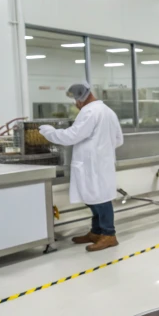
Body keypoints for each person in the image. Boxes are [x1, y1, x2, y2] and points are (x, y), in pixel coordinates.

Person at [39, 82, 124, 252]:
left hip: (92, 164)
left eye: (75, 102)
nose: (76, 105)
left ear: (79, 100)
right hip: (99, 162)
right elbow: (119, 140)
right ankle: (96, 231)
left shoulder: (90, 112)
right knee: (94, 198)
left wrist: (48, 131)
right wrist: (102, 149)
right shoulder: (107, 111)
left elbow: (72, 136)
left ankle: (109, 235)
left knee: (101, 200)